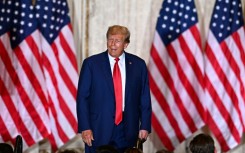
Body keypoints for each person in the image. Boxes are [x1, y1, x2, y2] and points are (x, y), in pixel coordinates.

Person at [76, 25, 152, 153]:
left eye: (118, 41)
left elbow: (144, 98)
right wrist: (85, 127)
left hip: (128, 129)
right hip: (97, 129)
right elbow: (82, 98)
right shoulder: (91, 64)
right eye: (110, 39)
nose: (112, 44)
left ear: (126, 44)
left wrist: (144, 125)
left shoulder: (138, 65)